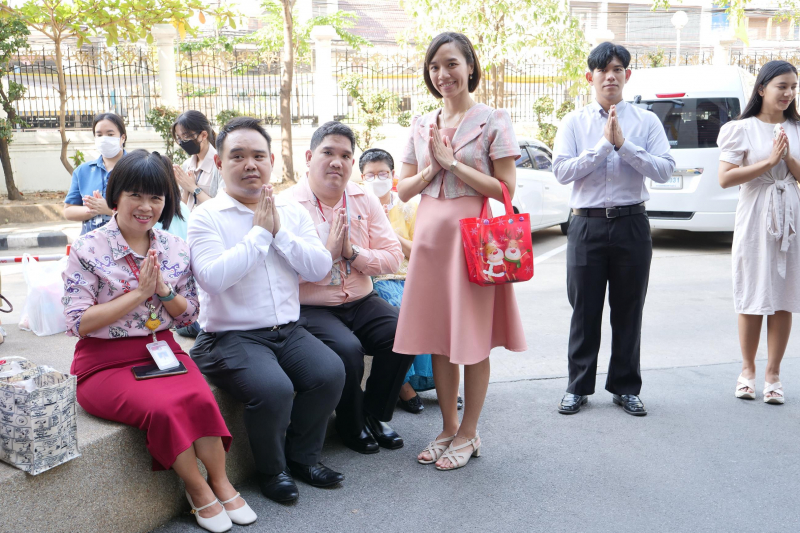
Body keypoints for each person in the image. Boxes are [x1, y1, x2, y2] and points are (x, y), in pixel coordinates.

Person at [62, 150, 256, 532]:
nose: (146, 206)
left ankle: (221, 481)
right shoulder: (88, 249)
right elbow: (77, 323)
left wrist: (163, 291)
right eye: (135, 195)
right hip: (103, 363)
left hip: (162, 351)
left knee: (199, 397)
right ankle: (197, 488)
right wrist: (138, 294)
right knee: (165, 407)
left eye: (156, 198)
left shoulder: (174, 248)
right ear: (115, 195)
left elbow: (189, 315)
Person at [188, 117, 346, 504]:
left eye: (258, 155)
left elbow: (319, 268)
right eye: (237, 156)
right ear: (221, 165)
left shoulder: (290, 213)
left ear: (271, 160)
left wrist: (278, 232)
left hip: (287, 331)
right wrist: (259, 234)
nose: (250, 164)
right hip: (229, 337)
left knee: (330, 372)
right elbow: (211, 278)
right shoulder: (206, 217)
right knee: (274, 389)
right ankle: (271, 471)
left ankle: (303, 458)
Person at [394, 32, 527, 471]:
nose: (442, 74)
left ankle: (470, 433)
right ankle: (448, 427)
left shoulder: (493, 119)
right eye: (434, 67)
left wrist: (454, 165)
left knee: (472, 340)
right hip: (431, 239)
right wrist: (435, 165)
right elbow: (404, 189)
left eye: (451, 64)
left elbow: (506, 189)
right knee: (438, 337)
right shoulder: (421, 124)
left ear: (470, 66)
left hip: (473, 240)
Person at [552, 42, 675, 416]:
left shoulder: (646, 122)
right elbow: (561, 171)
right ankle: (578, 387)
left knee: (628, 310)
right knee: (584, 310)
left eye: (618, 69)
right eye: (603, 70)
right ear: (590, 77)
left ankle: (625, 386)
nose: (611, 76)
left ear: (627, 76)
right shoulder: (574, 123)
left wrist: (625, 145)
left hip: (631, 223)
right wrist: (605, 146)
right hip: (586, 224)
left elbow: (665, 170)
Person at [283, 121, 414, 455]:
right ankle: (351, 424)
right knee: (348, 351)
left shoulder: (363, 198)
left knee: (404, 333)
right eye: (328, 152)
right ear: (310, 157)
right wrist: (326, 255)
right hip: (313, 306)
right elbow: (283, 273)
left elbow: (392, 256)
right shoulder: (288, 206)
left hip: (360, 297)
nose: (336, 162)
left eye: (345, 155)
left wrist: (352, 254)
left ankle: (374, 414)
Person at [717, 60, 800, 405]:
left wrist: (787, 158)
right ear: (762, 88)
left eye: (793, 87)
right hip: (754, 214)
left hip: (790, 215)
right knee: (751, 291)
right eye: (782, 86)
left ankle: (774, 374)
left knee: (783, 295)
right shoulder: (742, 128)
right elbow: (725, 178)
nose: (789, 93)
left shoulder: (797, 127)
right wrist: (768, 162)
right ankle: (748, 371)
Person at [358, 148, 435, 414]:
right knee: (398, 309)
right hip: (377, 278)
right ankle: (403, 387)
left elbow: (419, 251)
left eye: (382, 173)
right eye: (370, 174)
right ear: (361, 177)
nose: (376, 178)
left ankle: (429, 380)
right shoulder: (358, 207)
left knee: (432, 309)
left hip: (410, 274)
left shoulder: (407, 208)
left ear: (393, 175)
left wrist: (392, 234)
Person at [64, 113, 127, 235]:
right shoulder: (83, 171)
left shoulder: (137, 168)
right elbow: (68, 211)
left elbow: (145, 211)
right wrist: (93, 209)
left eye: (110, 134)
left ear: (122, 138)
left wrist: (109, 210)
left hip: (127, 245)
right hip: (90, 247)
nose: (104, 138)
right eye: (99, 135)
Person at [172, 110, 224, 212]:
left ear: (203, 135)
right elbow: (183, 206)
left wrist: (193, 188)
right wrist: (186, 188)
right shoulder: (187, 164)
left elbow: (221, 208)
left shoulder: (220, 164)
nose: (182, 142)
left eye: (186, 137)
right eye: (179, 138)